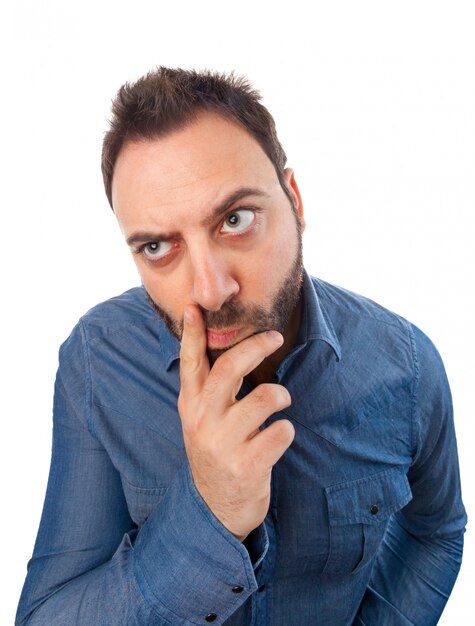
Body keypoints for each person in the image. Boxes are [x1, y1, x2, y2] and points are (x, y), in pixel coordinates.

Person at [16, 67, 466, 626]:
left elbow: (437, 531)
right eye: (158, 246)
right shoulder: (97, 359)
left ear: (294, 199)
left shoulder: (408, 364)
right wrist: (209, 512)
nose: (210, 290)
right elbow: (47, 615)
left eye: (236, 219)